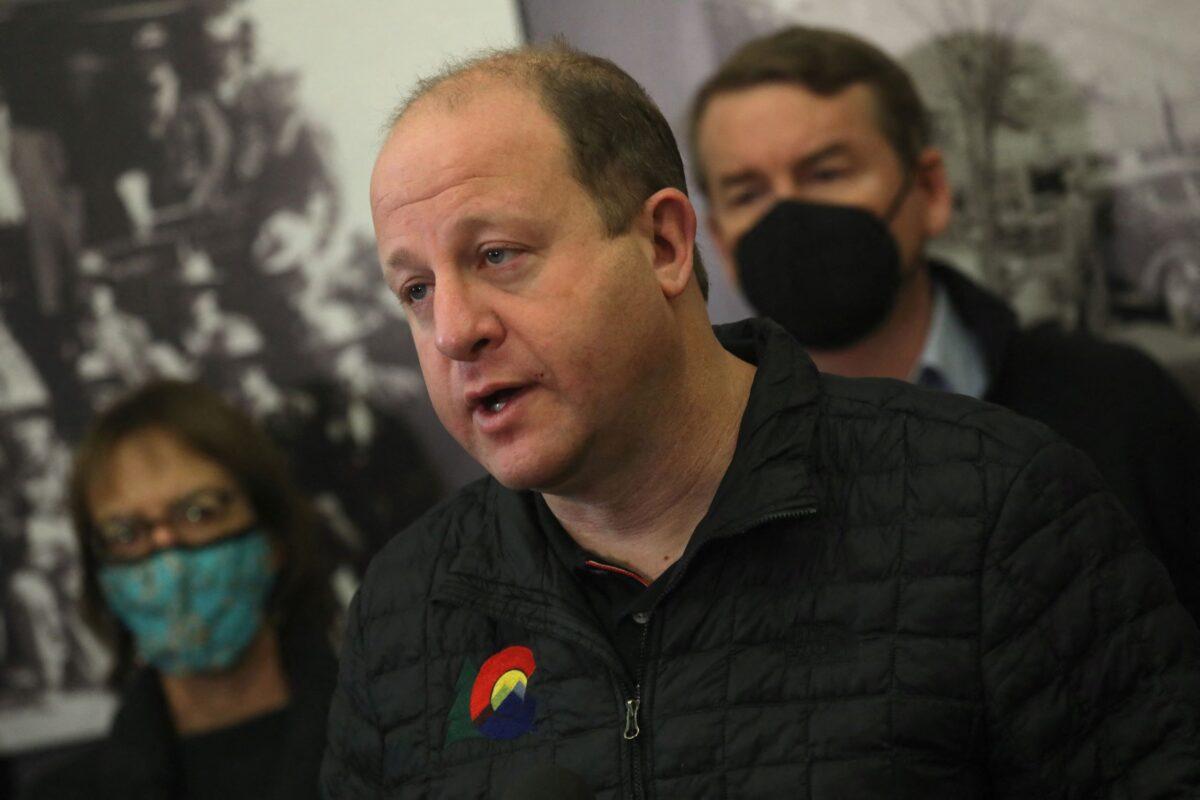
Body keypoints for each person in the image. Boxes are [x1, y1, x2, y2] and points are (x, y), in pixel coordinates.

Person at [321, 44, 1200, 797]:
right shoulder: (405, 613)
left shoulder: (996, 510)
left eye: (498, 255)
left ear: (664, 246)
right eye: (415, 288)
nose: (453, 329)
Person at [687, 25, 1200, 624]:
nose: (790, 214)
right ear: (720, 241)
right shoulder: (707, 475)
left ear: (928, 190)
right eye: (747, 193)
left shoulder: (1116, 407)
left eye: (827, 173)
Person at [27, 380, 337, 800]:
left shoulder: (409, 743)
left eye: (199, 512)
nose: (166, 555)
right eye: (124, 533)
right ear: (101, 575)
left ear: (273, 537)